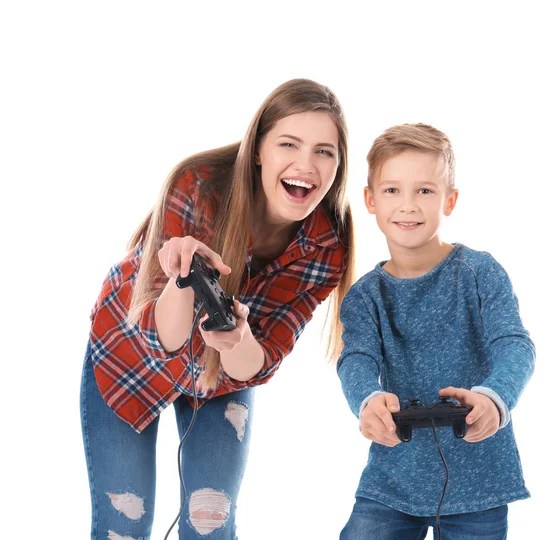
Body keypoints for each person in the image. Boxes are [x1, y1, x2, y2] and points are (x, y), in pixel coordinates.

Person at [80, 78, 355, 539]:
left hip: (222, 378)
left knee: (211, 520)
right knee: (122, 524)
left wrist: (239, 339)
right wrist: (184, 281)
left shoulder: (328, 245)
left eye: (324, 151)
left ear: (339, 164)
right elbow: (163, 340)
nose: (306, 165)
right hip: (130, 358)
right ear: (259, 150)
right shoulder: (199, 185)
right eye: (289, 143)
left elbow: (257, 364)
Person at [337, 123, 535, 540]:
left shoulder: (480, 272)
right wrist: (367, 402)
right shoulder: (364, 297)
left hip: (480, 480)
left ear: (450, 200)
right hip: (393, 479)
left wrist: (494, 398)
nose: (407, 205)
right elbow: (356, 359)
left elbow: (515, 344)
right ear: (371, 200)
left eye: (424, 191)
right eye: (392, 190)